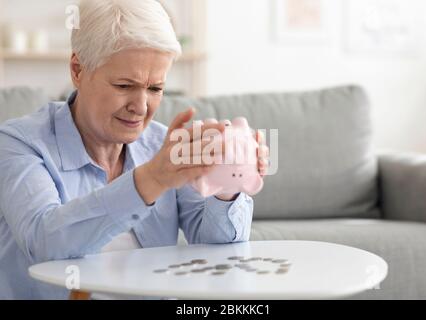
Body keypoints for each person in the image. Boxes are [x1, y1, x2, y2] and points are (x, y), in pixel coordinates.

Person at [0, 0, 269, 299]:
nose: (141, 107)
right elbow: (46, 243)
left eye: (155, 89)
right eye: (125, 86)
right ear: (78, 70)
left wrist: (226, 183)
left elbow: (218, 251)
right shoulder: (19, 144)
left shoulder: (162, 145)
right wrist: (152, 180)